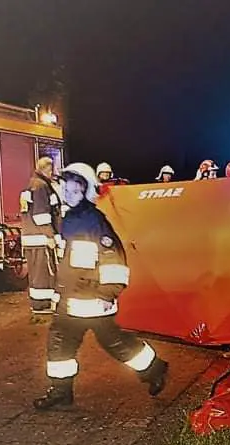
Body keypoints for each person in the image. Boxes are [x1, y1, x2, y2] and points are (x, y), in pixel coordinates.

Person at [33, 162, 169, 410]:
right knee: (59, 343)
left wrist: (108, 292)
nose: (68, 194)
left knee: (115, 343)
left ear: (85, 190)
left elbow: (113, 256)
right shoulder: (69, 218)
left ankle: (154, 369)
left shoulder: (94, 221)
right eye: (65, 189)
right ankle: (61, 391)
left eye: (74, 190)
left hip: (93, 298)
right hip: (70, 298)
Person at [19, 156, 61, 314]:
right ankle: (42, 304)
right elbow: (41, 215)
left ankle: (38, 303)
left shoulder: (32, 184)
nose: (52, 174)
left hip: (32, 237)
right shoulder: (41, 186)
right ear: (47, 170)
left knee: (36, 273)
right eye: (51, 171)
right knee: (44, 273)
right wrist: (50, 236)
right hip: (40, 238)